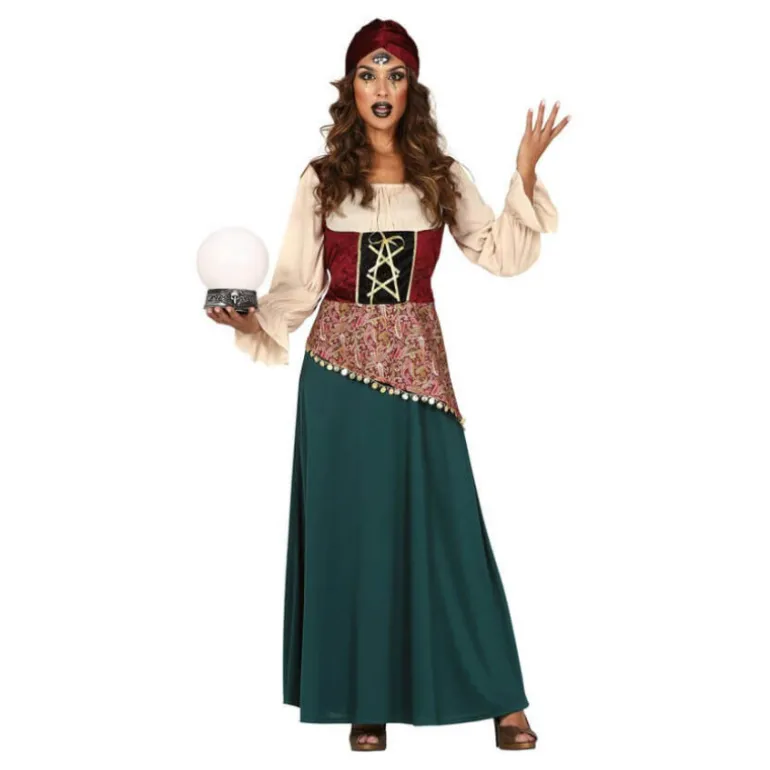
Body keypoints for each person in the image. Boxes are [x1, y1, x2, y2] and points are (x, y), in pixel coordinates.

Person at [206, 17, 568, 752]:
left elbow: (498, 252)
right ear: (351, 87)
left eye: (395, 75)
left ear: (411, 89)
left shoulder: (441, 175)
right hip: (338, 380)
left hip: (418, 376)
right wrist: (250, 320)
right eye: (369, 74)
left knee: (451, 532)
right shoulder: (321, 180)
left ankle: (502, 698)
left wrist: (524, 174)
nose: (382, 87)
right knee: (354, 536)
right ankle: (362, 699)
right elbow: (295, 287)